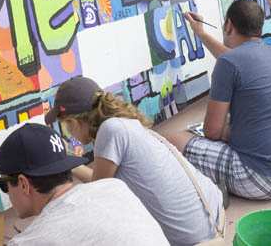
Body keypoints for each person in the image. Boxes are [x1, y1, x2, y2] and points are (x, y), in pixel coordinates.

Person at [45, 77, 223, 245]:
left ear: (74, 122)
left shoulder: (110, 130)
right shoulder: (124, 123)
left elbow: (98, 191)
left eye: (67, 126)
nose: (69, 132)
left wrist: (65, 159)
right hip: (210, 212)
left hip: (195, 236)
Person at [167, 0, 271, 201]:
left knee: (173, 140)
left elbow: (212, 132)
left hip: (266, 179)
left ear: (228, 26)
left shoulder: (228, 63)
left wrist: (229, 131)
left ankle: (209, 192)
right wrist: (200, 33)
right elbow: (237, 61)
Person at [0, 123, 169, 246]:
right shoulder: (115, 187)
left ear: (23, 184)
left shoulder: (31, 242)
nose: (7, 194)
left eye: (4, 185)